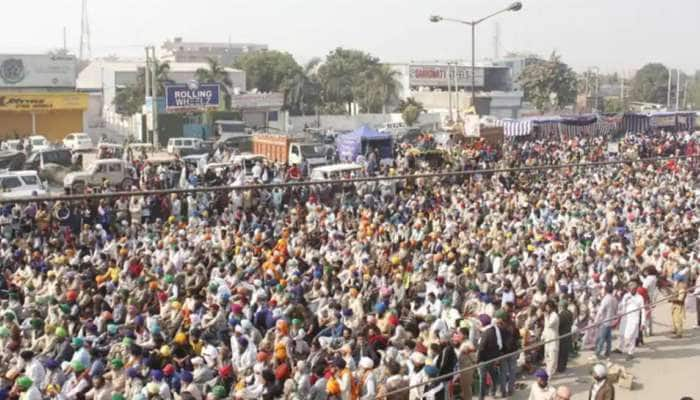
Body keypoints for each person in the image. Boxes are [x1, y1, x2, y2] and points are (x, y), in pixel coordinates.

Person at [477, 314, 504, 400]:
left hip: (484, 360)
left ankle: (481, 397)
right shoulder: (493, 330)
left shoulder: (486, 332)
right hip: (492, 358)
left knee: (482, 379)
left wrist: (478, 360)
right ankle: (492, 392)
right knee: (493, 375)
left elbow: (481, 348)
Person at [617, 281, 644, 360]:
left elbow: (643, 311)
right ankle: (620, 349)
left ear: (636, 289)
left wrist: (643, 323)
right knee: (621, 334)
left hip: (634, 319)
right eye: (631, 288)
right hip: (625, 318)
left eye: (634, 289)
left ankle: (630, 353)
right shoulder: (626, 296)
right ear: (629, 289)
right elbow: (621, 306)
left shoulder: (640, 298)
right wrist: (625, 301)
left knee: (632, 337)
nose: (632, 290)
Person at [594, 285, 617, 359]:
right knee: (608, 338)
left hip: (604, 321)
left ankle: (597, 353)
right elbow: (616, 310)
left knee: (601, 338)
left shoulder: (606, 299)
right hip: (610, 321)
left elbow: (600, 311)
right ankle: (607, 352)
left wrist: (596, 321)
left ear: (606, 290)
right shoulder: (614, 299)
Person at [543, 300, 560, 378]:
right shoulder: (548, 315)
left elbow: (549, 325)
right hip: (547, 338)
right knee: (547, 355)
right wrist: (543, 336)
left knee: (553, 356)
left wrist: (546, 317)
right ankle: (548, 371)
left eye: (548, 307)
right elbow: (545, 327)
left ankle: (550, 373)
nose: (546, 308)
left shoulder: (554, 315)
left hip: (553, 338)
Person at [557, 300, 573, 373]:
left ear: (561, 306)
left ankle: (560, 368)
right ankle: (563, 366)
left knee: (561, 352)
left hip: (562, 335)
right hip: (568, 333)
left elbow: (559, 325)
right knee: (565, 352)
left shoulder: (561, 315)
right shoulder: (570, 313)